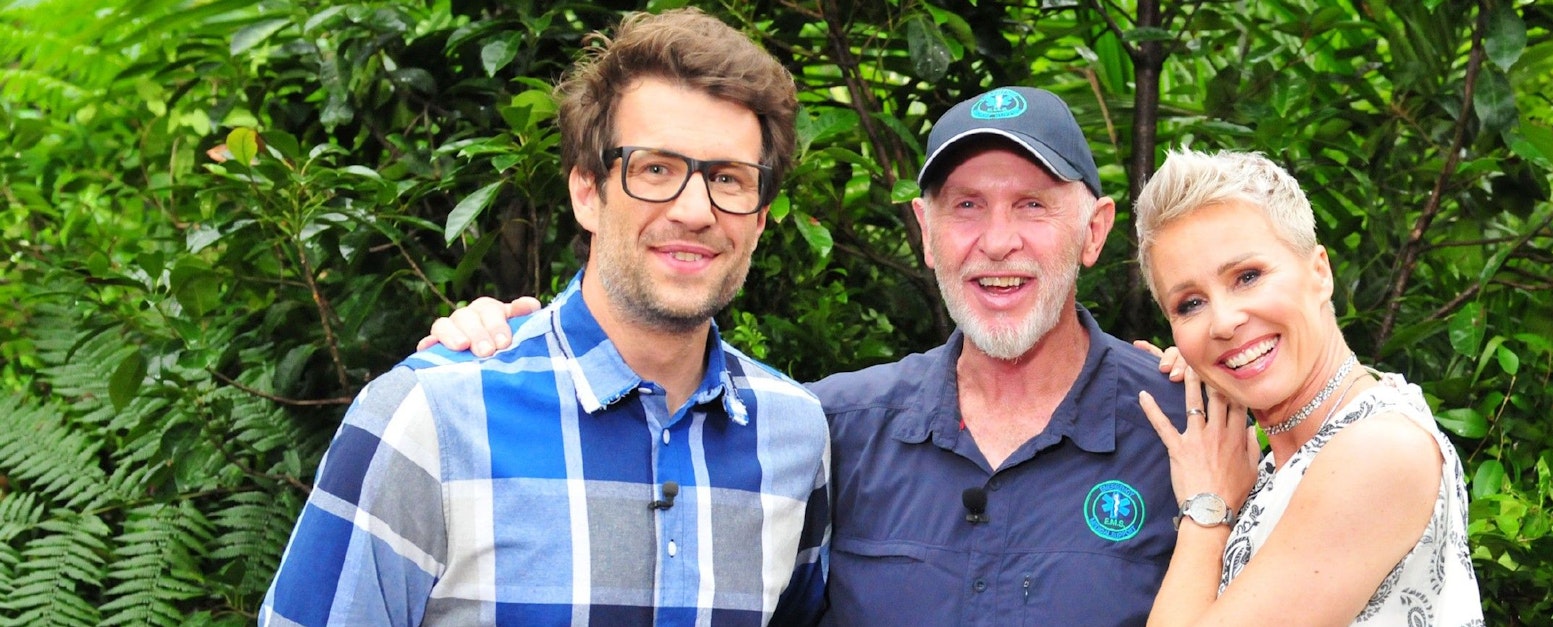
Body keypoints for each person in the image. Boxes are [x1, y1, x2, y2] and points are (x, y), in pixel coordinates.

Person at [425, 86, 1189, 625]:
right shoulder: (819, 428)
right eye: (966, 205)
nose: (996, 241)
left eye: (1032, 204)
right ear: (925, 232)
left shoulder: (1185, 427)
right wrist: (521, 346)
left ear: (1093, 231)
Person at [263, 9, 830, 625]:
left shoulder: (793, 435)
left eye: (728, 178)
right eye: (655, 169)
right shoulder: (432, 418)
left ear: (761, 216)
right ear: (587, 192)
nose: (695, 210)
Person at [1130, 149, 1483, 625]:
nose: (1224, 322)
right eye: (1190, 304)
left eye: (1248, 277)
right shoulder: (1293, 455)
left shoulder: (1377, 451)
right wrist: (1198, 389)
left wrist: (1207, 509)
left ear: (1320, 273)